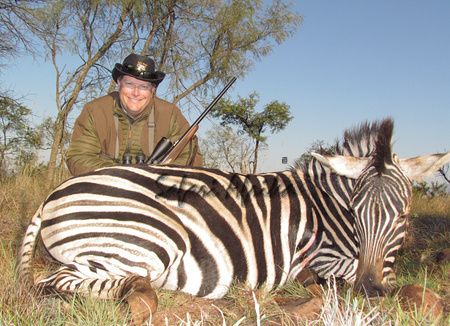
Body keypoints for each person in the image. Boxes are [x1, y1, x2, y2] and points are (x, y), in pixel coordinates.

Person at [66, 54, 202, 176]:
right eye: (129, 84)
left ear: (152, 90)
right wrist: (121, 173)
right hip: (106, 185)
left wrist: (157, 174)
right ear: (119, 83)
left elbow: (190, 155)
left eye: (143, 87)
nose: (136, 93)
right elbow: (79, 157)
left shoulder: (170, 113)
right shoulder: (95, 110)